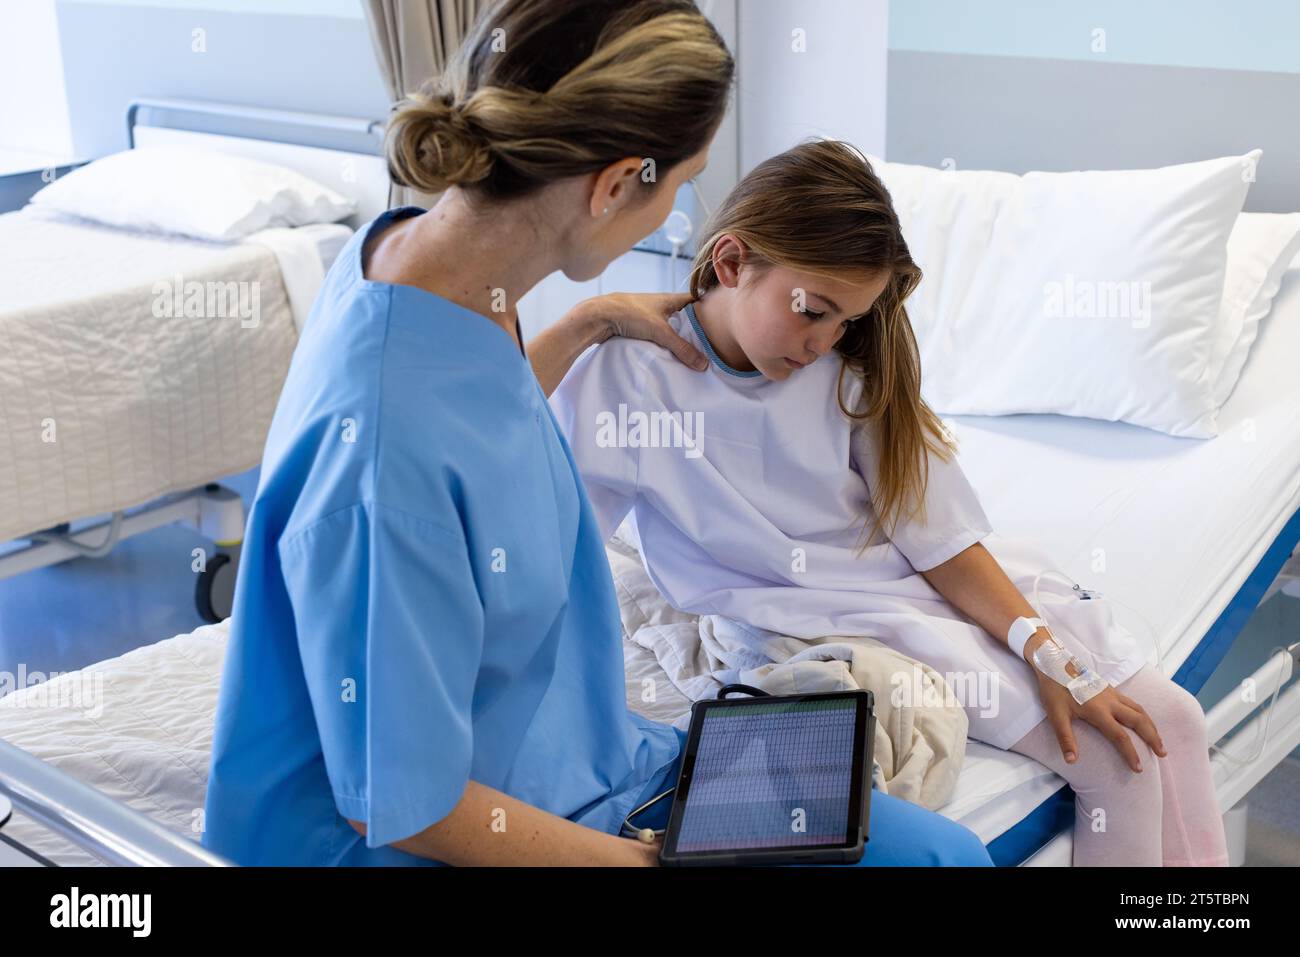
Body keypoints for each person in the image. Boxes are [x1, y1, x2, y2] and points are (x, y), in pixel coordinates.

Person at [202, 0, 992, 867]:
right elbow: (402, 805)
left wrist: (588, 322)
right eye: (683, 180)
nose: (681, 212)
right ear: (616, 184)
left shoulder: (415, 263)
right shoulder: (385, 460)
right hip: (428, 834)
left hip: (575, 761)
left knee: (935, 851)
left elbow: (475, 423)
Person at [550, 139, 1229, 867]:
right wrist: (588, 318)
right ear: (730, 262)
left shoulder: (849, 368)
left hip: (925, 586)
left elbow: (940, 539)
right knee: (1118, 762)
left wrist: (1048, 652)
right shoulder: (627, 378)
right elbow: (544, 526)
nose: (824, 340)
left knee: (1177, 721)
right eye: (814, 311)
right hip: (819, 621)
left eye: (845, 319)